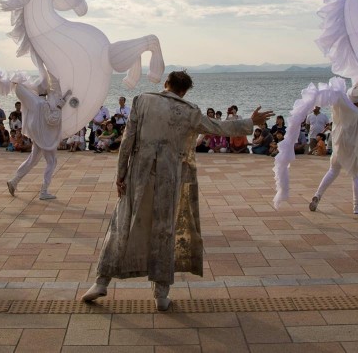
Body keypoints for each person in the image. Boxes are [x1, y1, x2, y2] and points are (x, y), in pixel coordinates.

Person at [80, 70, 272, 311]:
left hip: (138, 174)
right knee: (164, 229)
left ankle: (101, 281)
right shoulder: (189, 111)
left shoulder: (142, 101)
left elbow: (127, 141)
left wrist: (120, 175)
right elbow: (217, 127)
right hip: (169, 177)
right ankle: (161, 294)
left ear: (166, 84)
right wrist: (250, 123)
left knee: (122, 223)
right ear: (184, 91)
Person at [309, 70, 358, 215]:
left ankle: (318, 195)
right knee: (356, 175)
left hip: (340, 145)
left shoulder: (341, 107)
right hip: (354, 149)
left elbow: (354, 92)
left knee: (332, 171)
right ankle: (356, 207)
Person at [6, 74, 72, 201]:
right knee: (51, 162)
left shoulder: (34, 102)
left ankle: (14, 181)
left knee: (33, 159)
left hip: (38, 137)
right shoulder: (44, 104)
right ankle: (44, 190)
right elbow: (52, 120)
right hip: (45, 138)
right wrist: (60, 105)